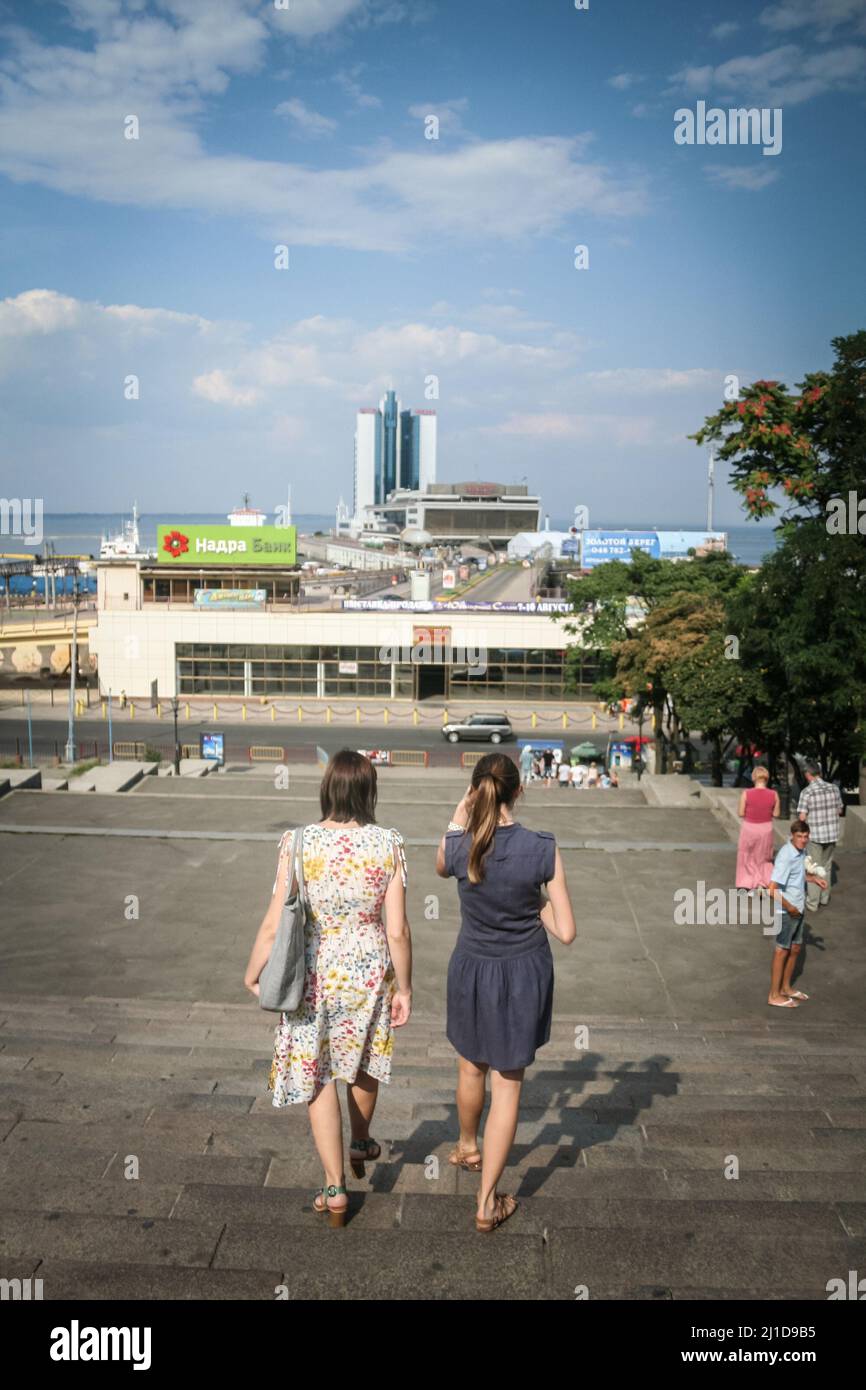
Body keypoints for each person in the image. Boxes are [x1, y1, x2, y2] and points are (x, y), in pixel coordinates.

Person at [244, 750, 412, 1226]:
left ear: (327, 789)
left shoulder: (297, 842)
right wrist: (405, 988)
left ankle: (335, 1190)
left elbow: (275, 923)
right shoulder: (388, 843)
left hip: (312, 973)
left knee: (317, 1075)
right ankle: (361, 1137)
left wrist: (253, 971)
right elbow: (397, 928)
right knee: (361, 1061)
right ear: (369, 791)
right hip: (368, 971)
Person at [436, 753, 576, 1232]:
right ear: (519, 791)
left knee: (470, 1064)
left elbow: (440, 863)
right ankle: (487, 1201)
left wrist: (459, 816)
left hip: (471, 969)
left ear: (476, 790)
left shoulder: (461, 845)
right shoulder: (541, 848)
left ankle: (467, 1144)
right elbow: (568, 931)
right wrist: (534, 905)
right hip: (521, 974)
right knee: (508, 1086)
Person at [767, 819, 827, 1008]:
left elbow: (797, 876)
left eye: (806, 836)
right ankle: (774, 995)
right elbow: (772, 889)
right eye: (799, 836)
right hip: (787, 910)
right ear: (792, 836)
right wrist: (790, 907)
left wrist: (814, 879)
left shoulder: (801, 852)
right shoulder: (786, 856)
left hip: (798, 908)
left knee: (795, 948)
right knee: (781, 950)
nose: (803, 840)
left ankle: (786, 988)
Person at [796, 761, 844, 911]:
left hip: (815, 836)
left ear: (807, 775)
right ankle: (824, 898)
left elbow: (802, 817)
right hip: (832, 834)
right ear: (820, 773)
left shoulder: (807, 792)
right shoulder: (834, 788)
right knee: (827, 867)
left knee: (813, 868)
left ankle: (812, 903)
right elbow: (839, 811)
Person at [735, 765, 780, 895]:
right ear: (767, 778)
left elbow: (740, 812)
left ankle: (746, 885)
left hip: (749, 827)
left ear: (753, 778)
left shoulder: (746, 793)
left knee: (747, 856)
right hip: (766, 829)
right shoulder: (774, 794)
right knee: (764, 857)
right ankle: (762, 883)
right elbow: (776, 814)